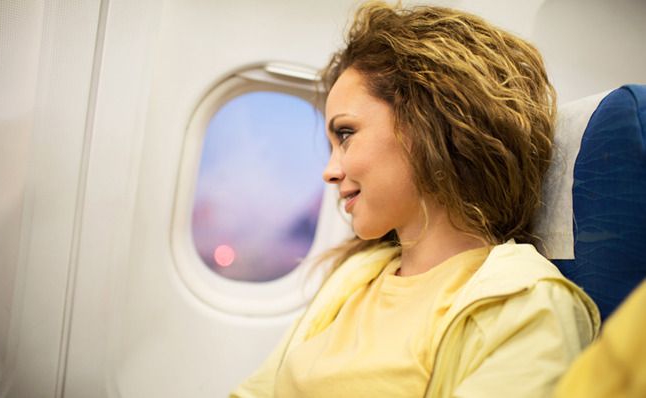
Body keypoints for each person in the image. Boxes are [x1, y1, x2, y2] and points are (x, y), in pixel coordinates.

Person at [231, 2, 600, 397]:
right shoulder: (356, 277)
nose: (329, 171)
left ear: (426, 123)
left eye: (346, 135)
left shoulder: (529, 309)